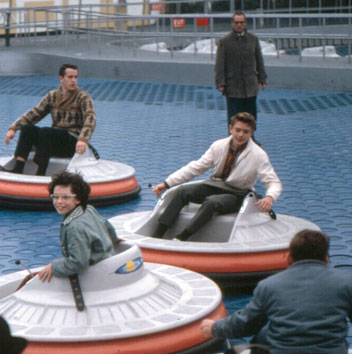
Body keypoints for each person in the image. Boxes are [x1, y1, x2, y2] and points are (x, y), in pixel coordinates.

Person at [200, 230, 352, 354]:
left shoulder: (268, 286)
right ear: (326, 259)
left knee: (263, 334)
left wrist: (214, 328)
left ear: (289, 258)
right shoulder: (345, 283)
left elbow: (245, 324)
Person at [151, 112, 281, 241]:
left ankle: (182, 237)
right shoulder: (218, 145)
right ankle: (158, 234)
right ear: (231, 129)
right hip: (215, 185)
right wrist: (166, 184)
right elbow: (196, 167)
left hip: (237, 194)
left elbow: (273, 181)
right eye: (238, 130)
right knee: (181, 191)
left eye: (246, 132)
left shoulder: (258, 155)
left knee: (212, 202)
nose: (241, 135)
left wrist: (270, 197)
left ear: (251, 133)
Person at [0, 64, 95, 176]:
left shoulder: (83, 97)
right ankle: (18, 167)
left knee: (46, 131)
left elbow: (90, 118)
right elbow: (34, 113)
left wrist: (83, 139)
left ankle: (41, 171)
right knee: (27, 129)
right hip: (54, 139)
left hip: (72, 141)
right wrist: (14, 128)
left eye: (76, 77)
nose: (74, 80)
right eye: (70, 77)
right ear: (61, 78)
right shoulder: (52, 96)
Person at [38, 171, 119, 283]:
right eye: (55, 197)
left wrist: (54, 267)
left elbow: (78, 263)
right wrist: (115, 242)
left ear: (78, 199)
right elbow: (109, 228)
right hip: (108, 260)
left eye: (66, 197)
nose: (59, 202)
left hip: (97, 273)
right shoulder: (88, 209)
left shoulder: (75, 226)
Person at [215, 12, 267, 124]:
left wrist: (262, 78)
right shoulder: (225, 41)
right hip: (233, 87)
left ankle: (251, 139)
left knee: (251, 117)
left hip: (250, 86)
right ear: (232, 23)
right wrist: (220, 82)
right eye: (236, 22)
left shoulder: (253, 39)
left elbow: (259, 60)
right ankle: (232, 139)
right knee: (234, 118)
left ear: (246, 23)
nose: (239, 25)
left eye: (241, 22)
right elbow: (220, 64)